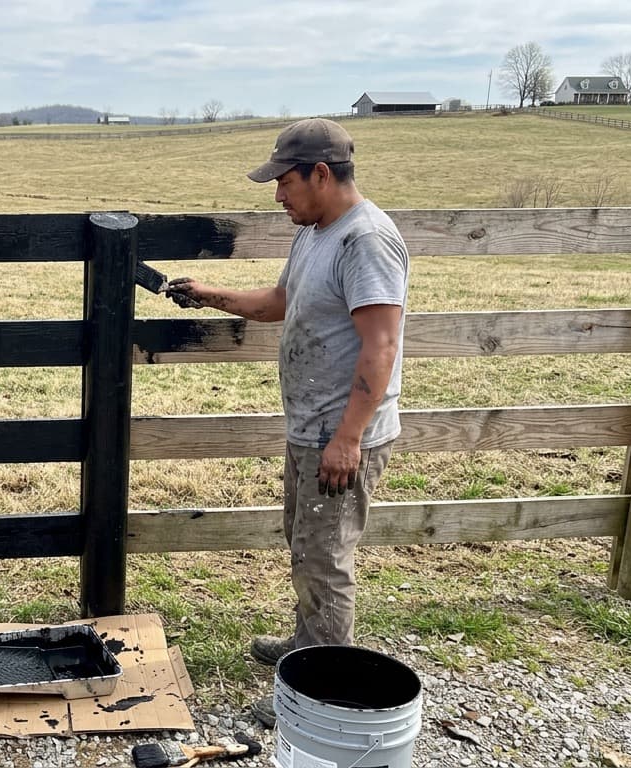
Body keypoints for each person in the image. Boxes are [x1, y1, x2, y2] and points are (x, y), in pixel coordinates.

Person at [164, 118, 408, 725]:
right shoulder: (316, 232)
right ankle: (308, 647)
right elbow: (281, 303)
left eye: (284, 182)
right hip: (312, 426)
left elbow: (381, 346)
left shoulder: (366, 241)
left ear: (321, 174)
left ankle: (319, 695)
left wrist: (347, 439)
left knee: (326, 556)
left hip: (339, 431)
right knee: (307, 544)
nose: (278, 195)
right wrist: (207, 293)